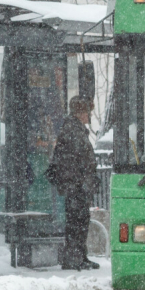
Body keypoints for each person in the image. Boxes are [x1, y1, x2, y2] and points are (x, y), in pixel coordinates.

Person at [48, 96, 100, 270]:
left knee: (80, 220)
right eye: (87, 112)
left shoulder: (75, 129)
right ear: (81, 112)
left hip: (77, 185)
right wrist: (82, 181)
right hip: (76, 186)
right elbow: (77, 160)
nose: (89, 115)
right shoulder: (73, 130)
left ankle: (79, 256)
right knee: (77, 221)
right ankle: (74, 257)